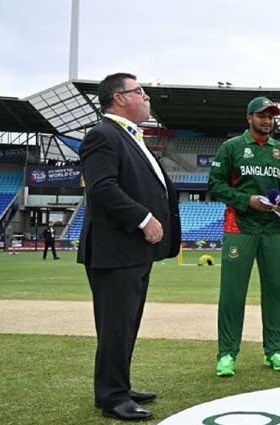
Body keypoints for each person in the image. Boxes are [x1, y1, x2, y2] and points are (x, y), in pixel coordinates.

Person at [77, 73, 181, 421]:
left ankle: (118, 385)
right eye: (140, 91)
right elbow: (102, 187)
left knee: (126, 324)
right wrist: (144, 218)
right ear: (119, 98)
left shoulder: (128, 136)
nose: (147, 97)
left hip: (131, 250)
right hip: (114, 249)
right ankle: (112, 396)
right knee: (116, 325)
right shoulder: (102, 134)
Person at [207, 96, 280, 377]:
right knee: (232, 293)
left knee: (275, 292)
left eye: (271, 116)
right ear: (249, 118)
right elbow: (215, 185)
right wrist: (247, 201)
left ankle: (275, 350)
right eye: (262, 115)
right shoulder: (232, 147)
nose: (267, 120)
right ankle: (227, 354)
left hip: (273, 230)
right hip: (239, 228)